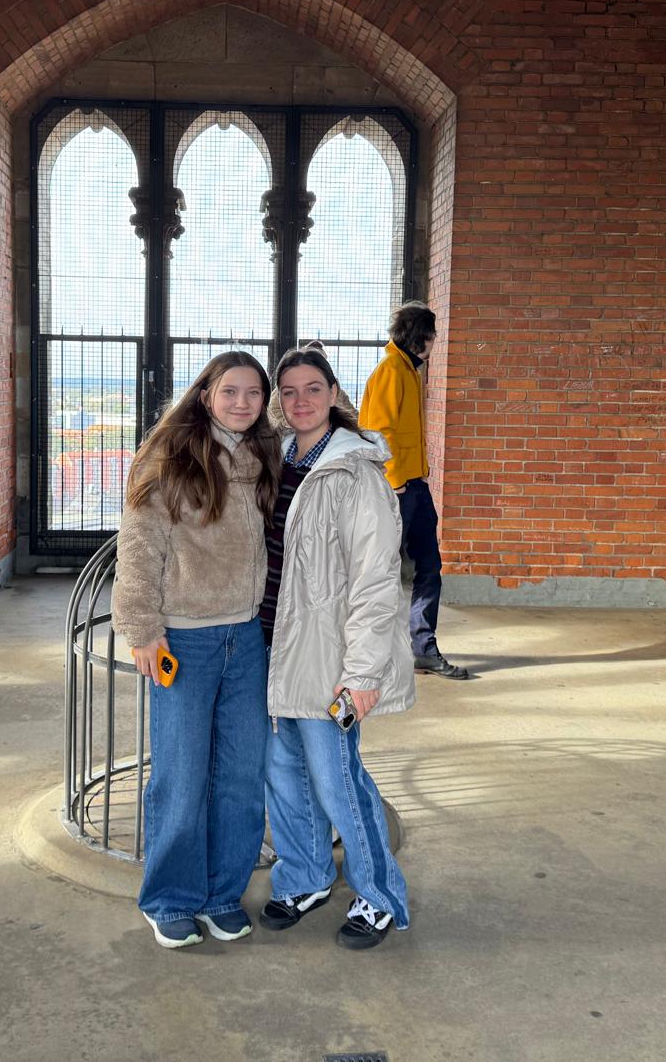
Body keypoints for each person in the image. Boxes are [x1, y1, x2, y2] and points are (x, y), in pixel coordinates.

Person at [110, 351, 281, 949]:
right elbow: (139, 544)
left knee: (240, 775)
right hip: (184, 639)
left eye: (254, 393)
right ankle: (171, 898)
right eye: (229, 391)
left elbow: (325, 410)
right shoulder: (170, 456)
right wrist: (142, 629)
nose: (242, 402)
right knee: (181, 776)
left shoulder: (262, 455)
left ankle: (221, 894)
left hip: (246, 638)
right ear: (206, 394)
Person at [259, 345, 415, 950]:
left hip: (329, 657)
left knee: (337, 779)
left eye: (313, 389)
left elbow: (377, 582)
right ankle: (306, 877)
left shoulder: (356, 473)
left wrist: (363, 673)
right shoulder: (277, 460)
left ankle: (379, 895)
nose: (300, 400)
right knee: (283, 774)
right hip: (273, 643)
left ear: (333, 394)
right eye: (289, 391)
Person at [359, 300, 470, 680]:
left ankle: (423, 649)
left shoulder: (407, 370)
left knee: (430, 566)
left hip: (414, 487)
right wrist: (396, 484)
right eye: (433, 336)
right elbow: (378, 430)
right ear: (422, 336)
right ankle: (369, 656)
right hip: (398, 491)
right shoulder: (392, 370)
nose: (435, 342)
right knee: (381, 574)